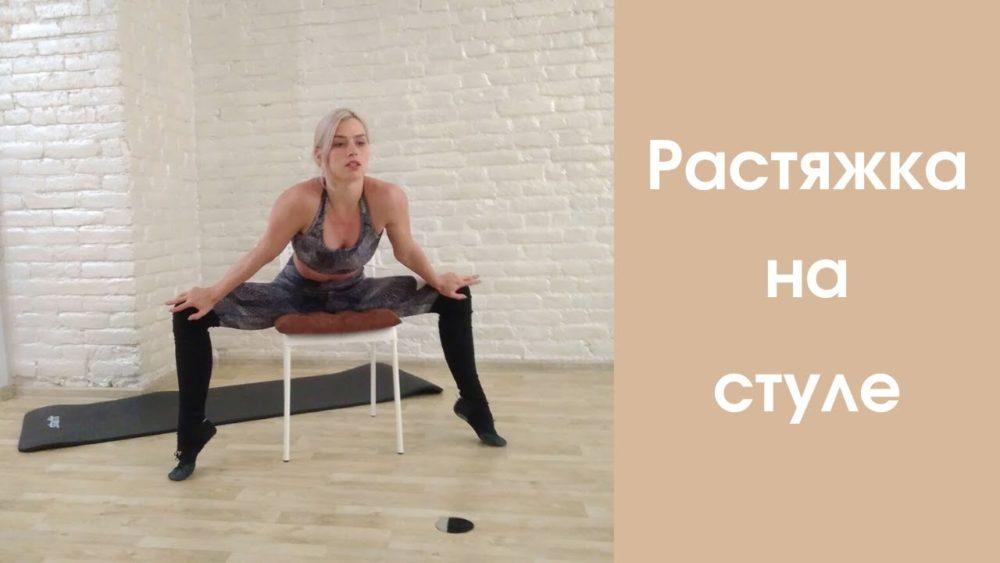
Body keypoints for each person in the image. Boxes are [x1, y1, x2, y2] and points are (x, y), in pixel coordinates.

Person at [163, 108, 506, 482]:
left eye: (360, 142)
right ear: (320, 155)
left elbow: (406, 250)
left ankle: (473, 404)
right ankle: (192, 431)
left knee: (454, 296)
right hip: (294, 294)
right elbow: (263, 253)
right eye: (339, 144)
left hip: (356, 292)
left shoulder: (387, 197)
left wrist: (438, 280)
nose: (352, 151)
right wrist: (212, 294)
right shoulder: (300, 200)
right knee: (188, 313)